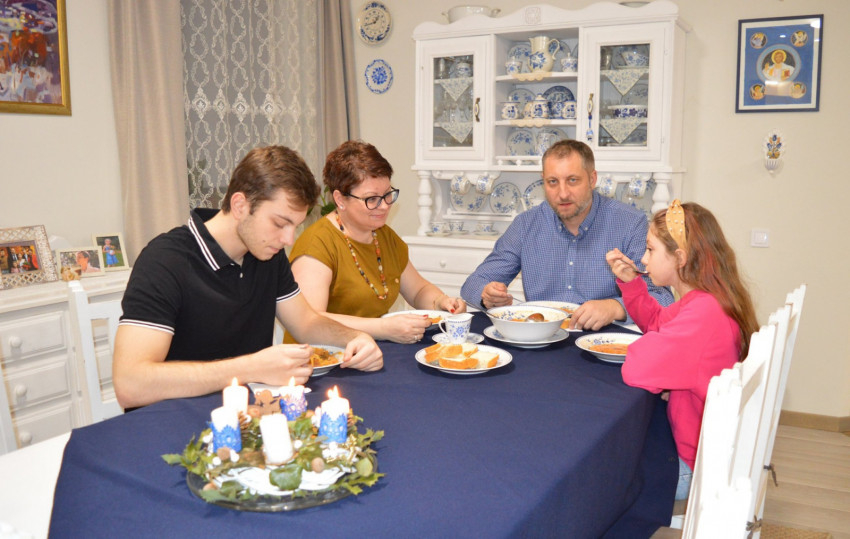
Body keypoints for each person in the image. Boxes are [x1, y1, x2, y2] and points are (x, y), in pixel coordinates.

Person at [113, 145, 384, 410]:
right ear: (240, 205)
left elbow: (306, 322)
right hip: (174, 420)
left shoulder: (267, 254)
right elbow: (130, 385)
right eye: (280, 223)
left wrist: (354, 338)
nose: (288, 239)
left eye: (295, 226)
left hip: (252, 414)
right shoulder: (165, 261)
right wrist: (251, 368)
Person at [606, 200, 759, 500]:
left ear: (679, 258)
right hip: (697, 443)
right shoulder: (705, 300)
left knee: (607, 478)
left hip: (689, 462)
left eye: (650, 250)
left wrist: (655, 351)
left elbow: (638, 368)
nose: (643, 259)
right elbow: (657, 324)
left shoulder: (704, 313)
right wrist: (632, 283)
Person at [460, 139, 673, 331]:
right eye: (553, 182)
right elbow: (472, 284)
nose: (562, 194)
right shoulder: (526, 225)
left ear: (592, 179)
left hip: (604, 339)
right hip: (541, 340)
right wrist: (487, 295)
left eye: (572, 180)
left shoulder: (629, 223)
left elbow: (663, 299)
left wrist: (615, 307)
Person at [288, 140, 465, 344]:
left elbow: (418, 291)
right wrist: (383, 328)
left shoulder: (383, 236)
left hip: (367, 349)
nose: (384, 206)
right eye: (371, 199)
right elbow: (311, 321)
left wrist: (440, 302)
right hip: (319, 355)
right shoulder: (317, 245)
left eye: (388, 195)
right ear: (340, 199)